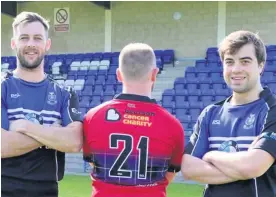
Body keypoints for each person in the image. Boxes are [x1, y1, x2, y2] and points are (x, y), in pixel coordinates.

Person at [181, 30, 276, 197]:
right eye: (229, 62)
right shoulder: (210, 113)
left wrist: (211, 155)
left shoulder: (272, 110)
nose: (236, 69)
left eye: (245, 61)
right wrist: (242, 167)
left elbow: (254, 166)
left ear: (261, 65)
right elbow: (188, 168)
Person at [83, 43, 185, 197]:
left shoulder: (93, 117)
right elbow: (169, 174)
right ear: (154, 74)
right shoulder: (173, 125)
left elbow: (93, 161)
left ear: (118, 74)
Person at [1, 12, 83, 197]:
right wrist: (52, 133)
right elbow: (1, 145)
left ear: (47, 44)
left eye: (37, 38)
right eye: (24, 38)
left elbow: (75, 141)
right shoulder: (2, 88)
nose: (31, 44)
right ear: (14, 43)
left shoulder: (64, 92)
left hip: (47, 190)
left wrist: (25, 127)